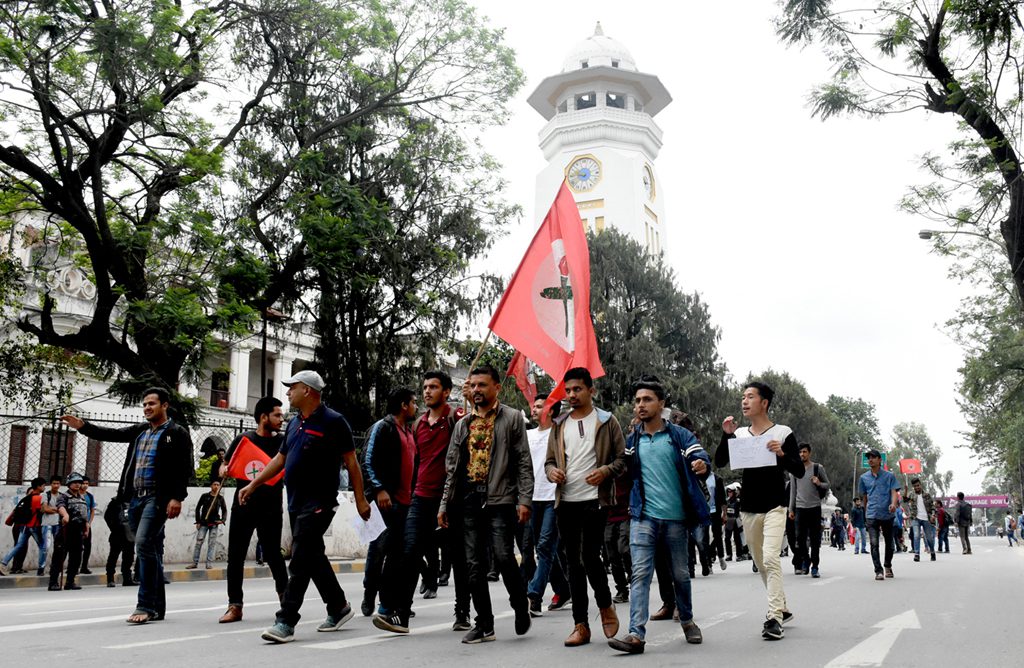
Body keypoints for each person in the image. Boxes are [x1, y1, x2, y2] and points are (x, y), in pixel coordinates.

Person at [239, 370, 371, 643]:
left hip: (320, 502)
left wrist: (360, 499)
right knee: (313, 557)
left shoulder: (334, 422)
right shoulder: (295, 423)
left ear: (308, 390)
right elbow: (280, 459)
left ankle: (286, 620)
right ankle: (338, 606)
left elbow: (352, 463)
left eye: (293, 387)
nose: (288, 392)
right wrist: (254, 484)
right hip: (296, 501)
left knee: (300, 559)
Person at [62, 388, 192, 622]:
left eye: (152, 403)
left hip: (157, 498)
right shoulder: (140, 431)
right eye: (145, 404)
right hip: (134, 499)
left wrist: (177, 497)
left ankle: (144, 606)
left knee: (142, 544)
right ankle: (158, 608)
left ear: (164, 405)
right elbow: (112, 434)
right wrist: (83, 426)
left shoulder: (176, 432)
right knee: (151, 550)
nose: (147, 408)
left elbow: (185, 468)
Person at [607, 378, 710, 654]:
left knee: (680, 575)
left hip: (676, 519)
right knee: (640, 574)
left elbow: (699, 455)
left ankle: (687, 620)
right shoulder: (633, 440)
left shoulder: (679, 436)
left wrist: (701, 464)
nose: (640, 405)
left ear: (661, 404)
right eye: (637, 401)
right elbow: (620, 467)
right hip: (643, 518)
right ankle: (635, 634)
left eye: (647, 400)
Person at [438, 365, 533, 645]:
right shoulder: (463, 424)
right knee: (473, 564)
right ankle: (484, 624)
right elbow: (452, 469)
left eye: (482, 385)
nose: (476, 390)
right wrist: (443, 505)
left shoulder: (512, 418)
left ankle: (520, 604)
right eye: (473, 385)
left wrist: (524, 499)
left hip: (501, 499)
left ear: (496, 388)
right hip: (468, 500)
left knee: (503, 556)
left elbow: (523, 462)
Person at [543, 367, 625, 647]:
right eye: (568, 390)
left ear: (591, 390)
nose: (571, 395)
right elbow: (549, 462)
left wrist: (605, 471)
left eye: (577, 389)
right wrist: (552, 472)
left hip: (595, 500)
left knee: (589, 556)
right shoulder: (559, 424)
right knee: (572, 563)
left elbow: (621, 459)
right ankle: (581, 625)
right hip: (565, 501)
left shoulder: (607, 421)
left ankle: (605, 604)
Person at [715, 381, 803, 641]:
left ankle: (774, 618)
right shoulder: (740, 434)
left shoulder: (783, 433)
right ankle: (782, 607)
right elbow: (720, 461)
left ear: (764, 403)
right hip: (749, 507)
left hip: (776, 505)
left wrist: (782, 454)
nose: (744, 401)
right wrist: (726, 435)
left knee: (771, 558)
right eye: (743, 397)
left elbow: (799, 470)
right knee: (761, 561)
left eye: (750, 397)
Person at [218, 397, 290, 623]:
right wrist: (224, 470)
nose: (281, 419)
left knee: (273, 555)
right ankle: (235, 605)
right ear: (263, 417)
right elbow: (224, 465)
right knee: (235, 556)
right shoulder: (244, 440)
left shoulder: (283, 442)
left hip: (271, 506)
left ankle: (287, 602)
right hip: (244, 505)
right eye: (277, 415)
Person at [366, 387, 418, 632]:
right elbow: (367, 461)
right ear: (404, 405)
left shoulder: (409, 431)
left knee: (398, 556)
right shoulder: (383, 427)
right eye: (414, 402)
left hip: (405, 503)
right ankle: (370, 595)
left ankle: (387, 605)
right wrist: (379, 489)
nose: (416, 407)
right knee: (378, 550)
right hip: (385, 502)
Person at [526, 393, 571, 616]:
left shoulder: (560, 434)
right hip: (532, 498)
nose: (534, 409)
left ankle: (534, 595)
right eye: (534, 406)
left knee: (545, 546)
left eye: (539, 406)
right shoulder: (527, 435)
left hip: (554, 497)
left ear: (551, 411)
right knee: (542, 548)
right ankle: (563, 589)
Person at [858, 449, 900, 580]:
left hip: (887, 514)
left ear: (879, 459)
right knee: (874, 543)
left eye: (873, 457)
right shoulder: (863, 478)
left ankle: (887, 565)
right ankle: (878, 570)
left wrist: (893, 504)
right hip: (872, 515)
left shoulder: (889, 476)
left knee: (890, 544)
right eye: (869, 458)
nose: (870, 460)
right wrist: (865, 512)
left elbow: (894, 492)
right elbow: (864, 497)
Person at [788, 443, 829, 578]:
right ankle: (806, 559)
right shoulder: (794, 470)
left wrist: (819, 483)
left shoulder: (817, 468)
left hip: (814, 507)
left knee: (815, 540)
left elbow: (827, 485)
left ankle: (815, 566)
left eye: (804, 452)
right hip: (800, 508)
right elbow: (793, 491)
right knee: (799, 539)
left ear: (809, 453)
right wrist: (791, 509)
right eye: (800, 452)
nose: (802, 454)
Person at [47, 471, 91, 590]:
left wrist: (86, 528)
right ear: (69, 483)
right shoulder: (64, 496)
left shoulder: (82, 498)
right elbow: (60, 506)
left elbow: (84, 515)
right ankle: (53, 582)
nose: (77, 484)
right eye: (74, 482)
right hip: (65, 530)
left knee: (76, 558)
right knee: (59, 558)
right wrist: (65, 515)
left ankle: (70, 582)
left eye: (79, 482)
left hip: (78, 531)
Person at [0, 477, 46, 576]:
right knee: (43, 546)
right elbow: (42, 511)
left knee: (19, 545)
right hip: (34, 526)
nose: (44, 487)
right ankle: (41, 568)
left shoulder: (26, 498)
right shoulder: (38, 498)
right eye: (43, 486)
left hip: (24, 526)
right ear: (38, 486)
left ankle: (3, 563)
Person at [187, 480, 227, 569]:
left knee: (211, 543)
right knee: (199, 542)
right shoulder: (205, 496)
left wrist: (222, 520)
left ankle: (209, 563)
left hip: (214, 523)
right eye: (214, 484)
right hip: (203, 523)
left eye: (218, 485)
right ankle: (195, 563)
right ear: (211, 486)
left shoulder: (220, 498)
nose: (216, 486)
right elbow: (198, 508)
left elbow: (224, 510)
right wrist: (198, 521)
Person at [103, 494, 135, 587]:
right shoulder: (114, 502)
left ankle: (127, 578)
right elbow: (107, 516)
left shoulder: (133, 501)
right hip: (117, 534)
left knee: (129, 557)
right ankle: (110, 578)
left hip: (129, 534)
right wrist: (114, 527)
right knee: (113, 556)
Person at [904, 478, 936, 562]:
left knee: (929, 538)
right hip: (915, 518)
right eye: (915, 486)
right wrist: (906, 490)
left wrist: (933, 515)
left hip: (926, 519)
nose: (916, 487)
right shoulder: (911, 495)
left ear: (920, 485)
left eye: (918, 485)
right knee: (916, 535)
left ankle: (932, 552)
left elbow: (932, 506)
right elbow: (905, 500)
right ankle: (917, 554)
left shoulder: (927, 495)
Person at [39, 475, 62, 576]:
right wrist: (57, 509)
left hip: (58, 524)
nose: (56, 485)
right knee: (45, 547)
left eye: (58, 483)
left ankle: (54, 568)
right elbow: (45, 509)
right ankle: (41, 568)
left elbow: (63, 510)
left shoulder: (61, 496)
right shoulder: (45, 495)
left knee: (58, 547)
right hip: (47, 524)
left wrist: (51, 508)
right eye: (54, 483)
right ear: (50, 484)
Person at [79, 477, 96, 574]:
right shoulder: (75, 495)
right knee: (76, 547)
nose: (85, 485)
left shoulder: (90, 496)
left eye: (87, 483)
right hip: (76, 524)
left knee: (87, 546)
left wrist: (89, 523)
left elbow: (92, 510)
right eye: (83, 483)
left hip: (86, 525)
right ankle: (73, 567)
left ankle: (84, 567)